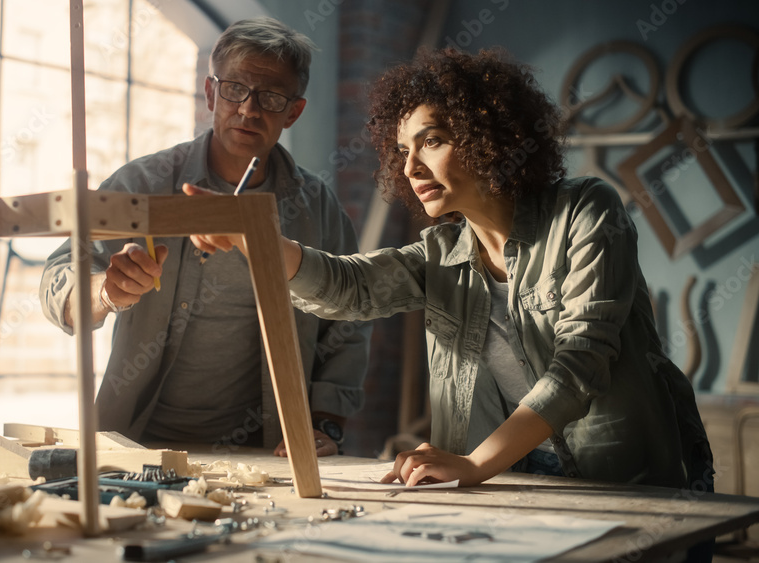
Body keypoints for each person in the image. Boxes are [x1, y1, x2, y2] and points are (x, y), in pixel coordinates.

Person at [186, 47, 713, 491]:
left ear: (491, 134)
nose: (411, 168)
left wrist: (473, 463)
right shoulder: (442, 252)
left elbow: (580, 365)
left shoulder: (586, 210)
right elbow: (350, 287)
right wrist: (252, 237)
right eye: (402, 150)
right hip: (513, 483)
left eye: (432, 141)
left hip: (624, 481)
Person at [39, 17, 370, 456]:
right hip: (137, 441)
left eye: (270, 97)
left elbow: (349, 318)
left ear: (293, 111)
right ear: (211, 92)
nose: (249, 109)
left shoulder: (317, 208)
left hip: (265, 448)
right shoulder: (145, 182)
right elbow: (56, 279)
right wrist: (105, 292)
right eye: (235, 89)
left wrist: (327, 423)